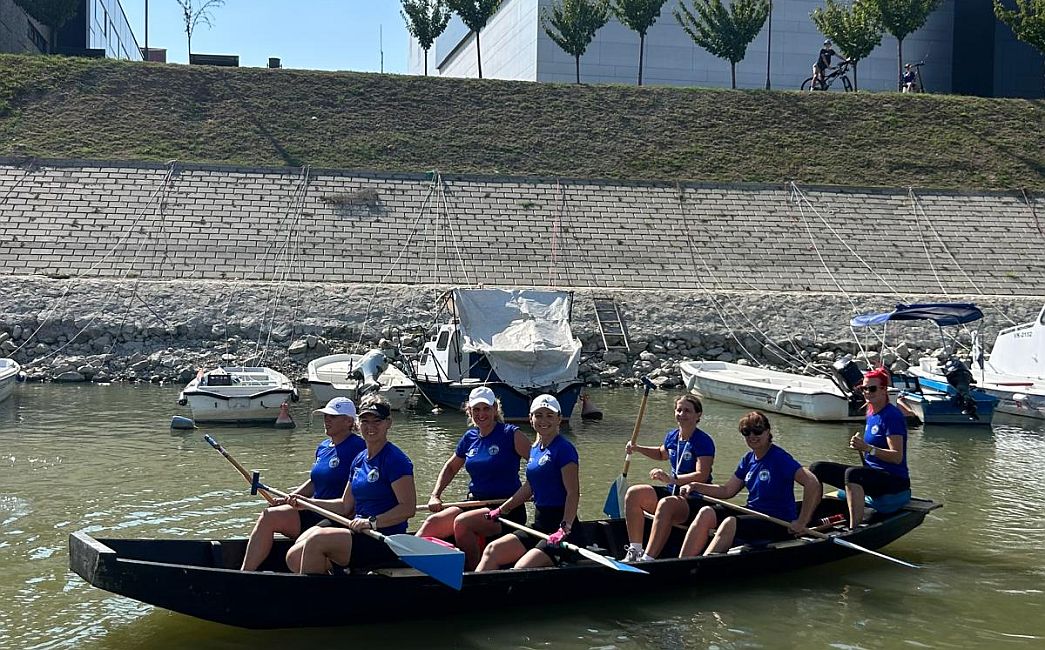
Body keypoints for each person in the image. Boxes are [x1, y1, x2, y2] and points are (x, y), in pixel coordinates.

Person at [285, 395, 416, 574]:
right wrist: (307, 503)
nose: (370, 427)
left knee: (316, 540)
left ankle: (314, 599)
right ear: (358, 423)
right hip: (359, 532)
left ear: (388, 423)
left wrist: (372, 523)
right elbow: (344, 505)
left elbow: (408, 509)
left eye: (376, 421)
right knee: (293, 557)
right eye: (364, 421)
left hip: (384, 538)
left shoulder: (396, 460)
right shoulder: (359, 460)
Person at [239, 396, 365, 571]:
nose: (327, 420)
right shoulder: (323, 447)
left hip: (337, 517)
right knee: (269, 515)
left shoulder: (359, 448)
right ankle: (246, 573)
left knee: (298, 552)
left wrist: (305, 503)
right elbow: (314, 482)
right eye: (325, 416)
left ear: (348, 421)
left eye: (333, 417)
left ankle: (338, 569)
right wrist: (289, 498)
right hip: (312, 510)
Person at [416, 386, 531, 570]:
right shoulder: (469, 437)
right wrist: (435, 494)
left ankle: (472, 571)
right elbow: (451, 467)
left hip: (505, 509)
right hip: (474, 503)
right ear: (469, 411)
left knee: (462, 523)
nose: (481, 414)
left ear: (495, 409)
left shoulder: (511, 434)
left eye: (486, 408)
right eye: (476, 409)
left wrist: (534, 491)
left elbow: (538, 466)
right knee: (432, 523)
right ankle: (414, 566)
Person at [678, 411, 821, 557]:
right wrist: (695, 486)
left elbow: (812, 482)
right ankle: (682, 561)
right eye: (747, 432)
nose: (752, 436)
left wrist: (802, 521)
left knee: (730, 522)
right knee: (706, 512)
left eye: (757, 430)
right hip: (753, 512)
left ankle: (700, 565)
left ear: (767, 431)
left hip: (778, 521)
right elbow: (727, 491)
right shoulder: (748, 459)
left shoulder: (779, 458)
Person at [476, 394, 582, 571]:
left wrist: (564, 528)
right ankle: (472, 594)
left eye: (549, 415)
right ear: (530, 419)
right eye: (538, 415)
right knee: (492, 550)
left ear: (559, 419)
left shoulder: (564, 449)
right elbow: (529, 487)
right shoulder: (534, 449)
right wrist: (502, 509)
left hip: (562, 530)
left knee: (520, 568)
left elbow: (573, 493)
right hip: (539, 525)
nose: (544, 420)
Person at [810, 367, 910, 528]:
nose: (867, 392)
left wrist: (868, 448)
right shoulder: (871, 414)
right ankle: (809, 516)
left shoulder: (892, 416)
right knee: (817, 468)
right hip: (873, 473)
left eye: (872, 388)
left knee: (853, 474)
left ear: (884, 390)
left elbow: (896, 457)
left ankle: (853, 527)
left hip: (894, 479)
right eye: (864, 388)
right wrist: (861, 447)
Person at [619, 394, 715, 562]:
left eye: (687, 411)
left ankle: (648, 558)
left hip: (693, 497)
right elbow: (661, 453)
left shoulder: (703, 441)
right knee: (634, 493)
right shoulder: (672, 436)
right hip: (673, 492)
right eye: (679, 410)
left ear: (698, 415)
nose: (682, 414)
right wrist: (637, 448)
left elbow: (702, 474)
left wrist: (673, 479)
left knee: (665, 504)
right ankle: (635, 549)